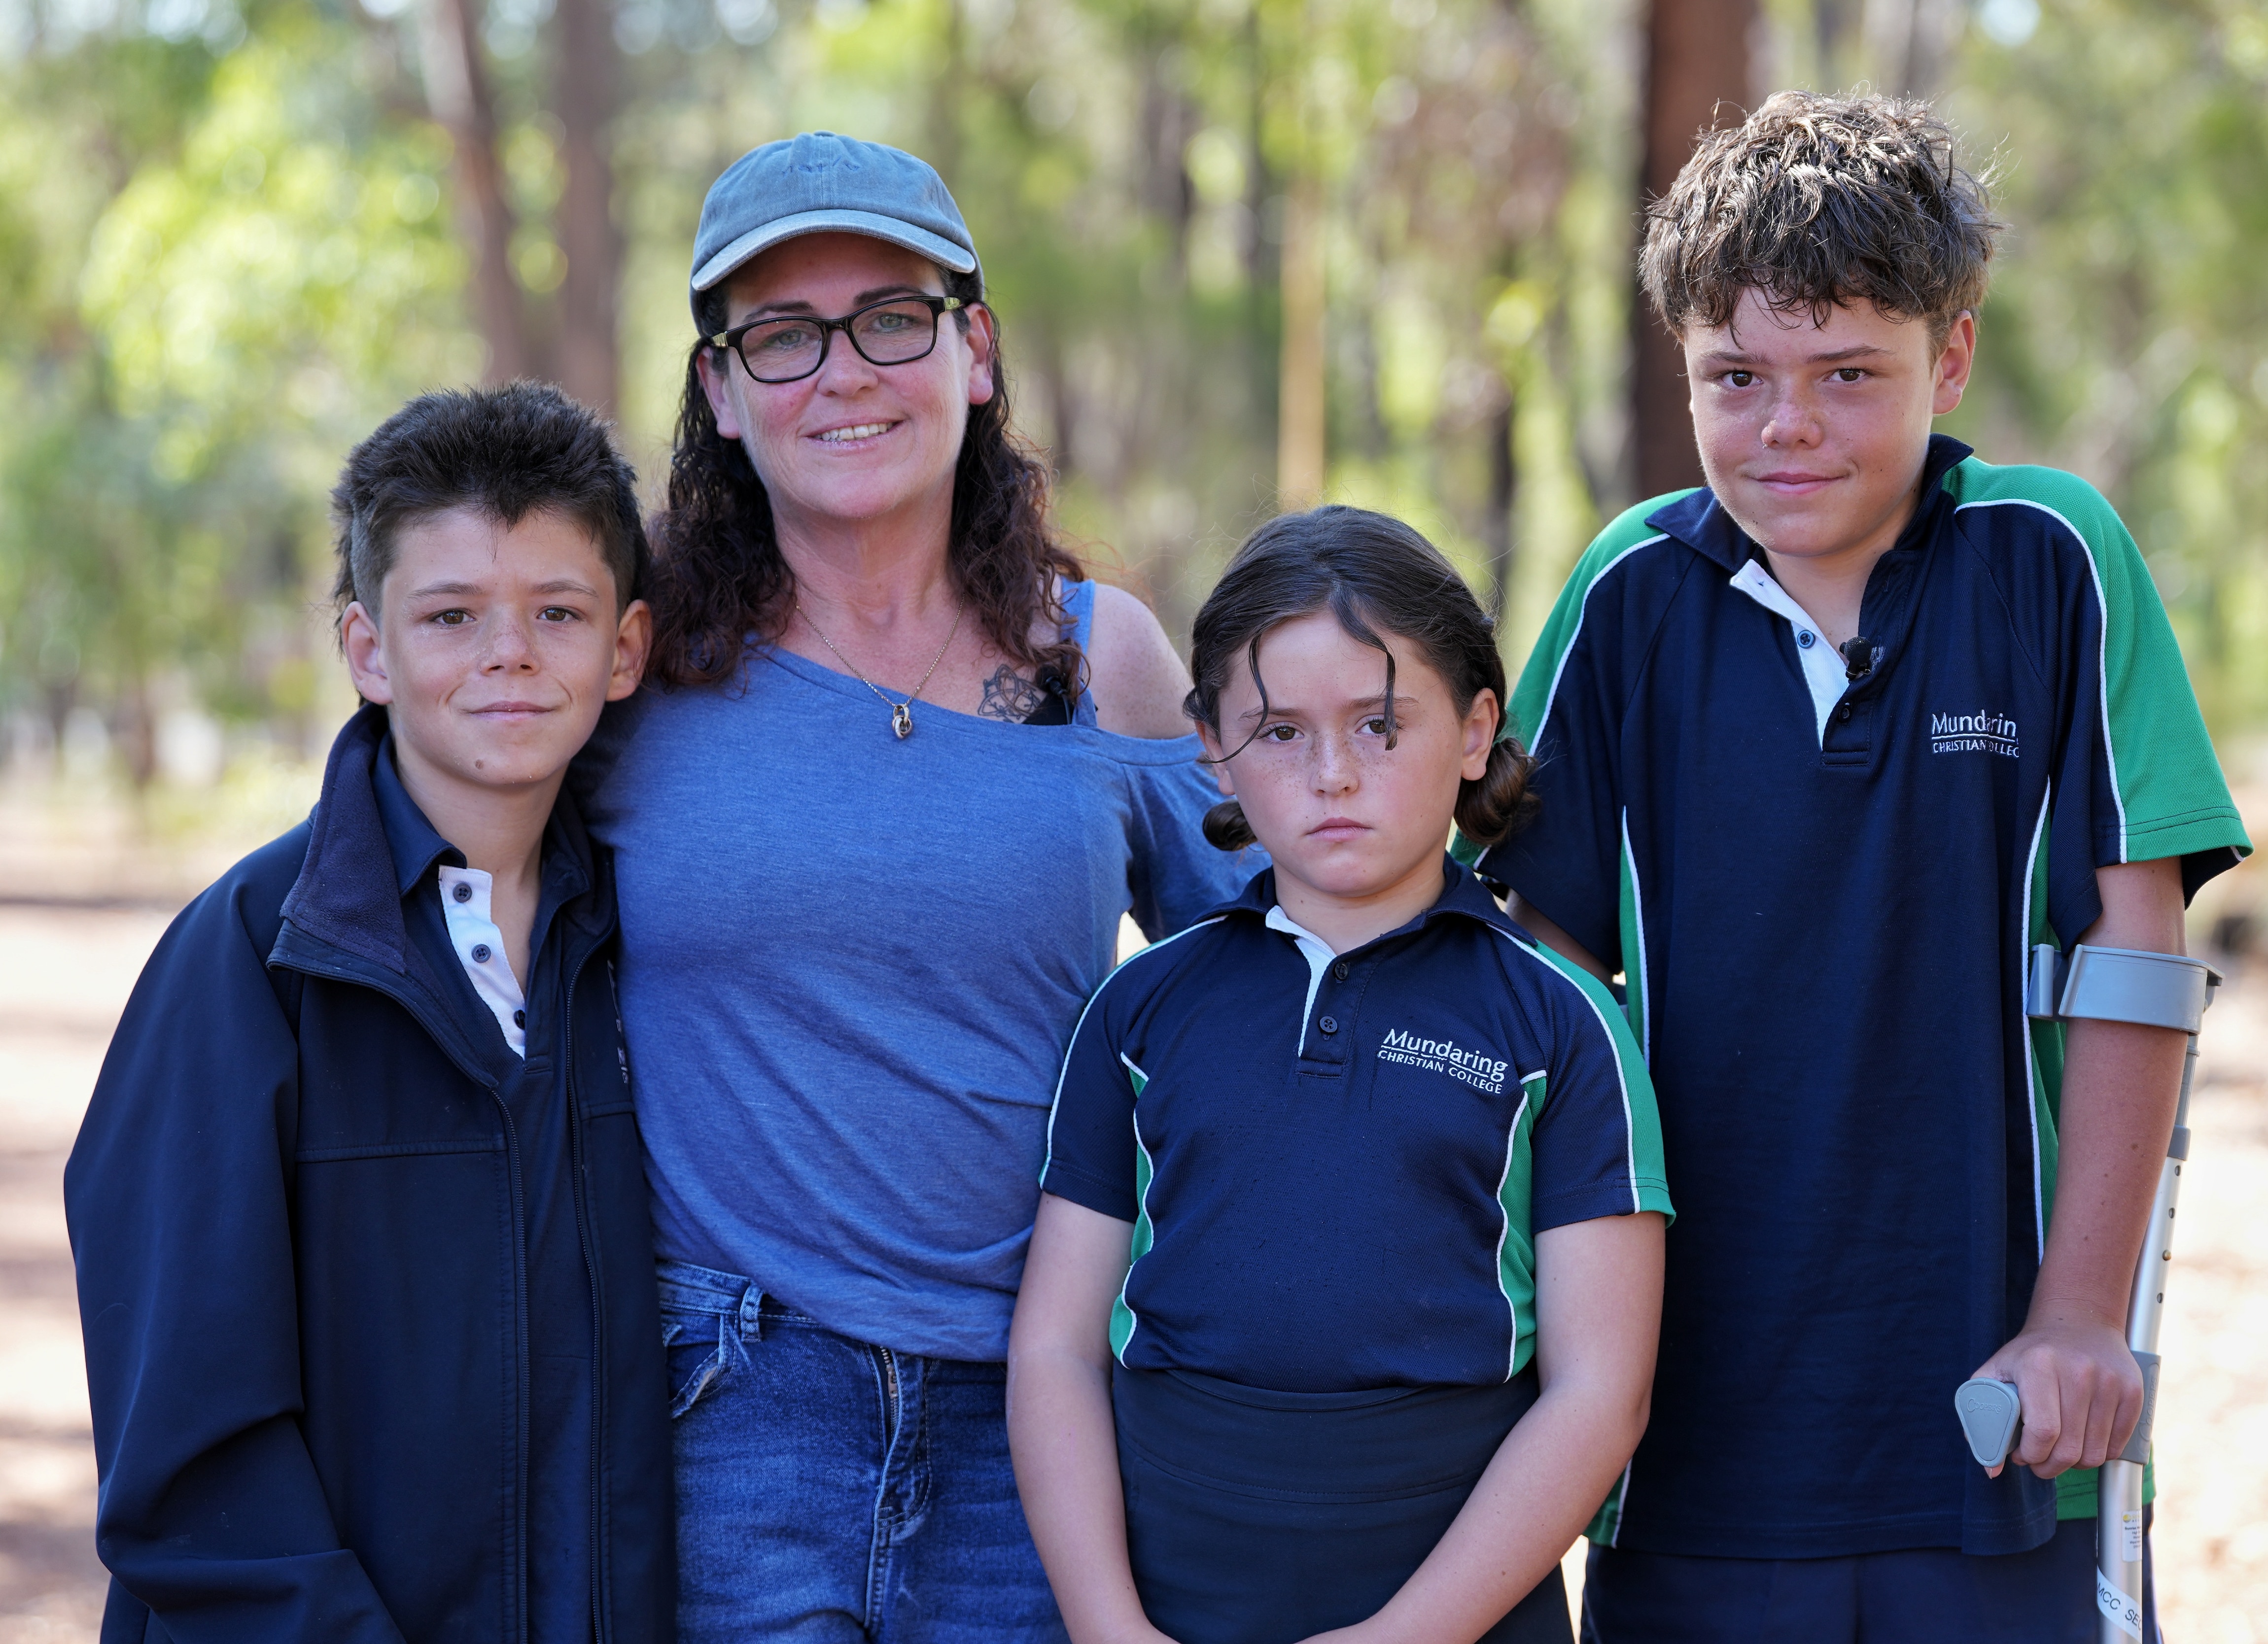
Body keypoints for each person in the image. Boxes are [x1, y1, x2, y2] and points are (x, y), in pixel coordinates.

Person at [1463, 91, 2254, 1641]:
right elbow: (1528, 979)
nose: (1789, 427)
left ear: (1951, 356)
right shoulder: (1627, 598)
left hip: (2002, 1419)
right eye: (1735, 379)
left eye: (1849, 376)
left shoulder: (2052, 561)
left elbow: (2136, 949)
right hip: (1684, 1434)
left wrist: (2084, 1315)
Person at [569, 131, 1252, 1640]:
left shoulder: (1103, 659)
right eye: (782, 337)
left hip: (1042, 1412)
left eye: (892, 317)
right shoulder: (634, 673)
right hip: (726, 1402)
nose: (845, 373)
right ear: (722, 394)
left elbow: (1277, 978)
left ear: (977, 351)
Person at [66, 382, 669, 1643]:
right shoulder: (250, 960)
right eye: (450, 615)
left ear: (625, 651)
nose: (508, 652)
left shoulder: (642, 948)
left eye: (557, 613)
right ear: (368, 651)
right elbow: (189, 1452)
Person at [1009, 506, 1674, 1644]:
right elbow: (1055, 1348)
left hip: (1455, 1611)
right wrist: (1109, 1626)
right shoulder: (1141, 1008)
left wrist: (1403, 1637)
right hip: (1170, 1603)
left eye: (1380, 725)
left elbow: (1600, 1394)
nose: (1332, 775)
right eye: (1277, 732)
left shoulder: (1562, 1024)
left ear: (1473, 733)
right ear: (1210, 746)